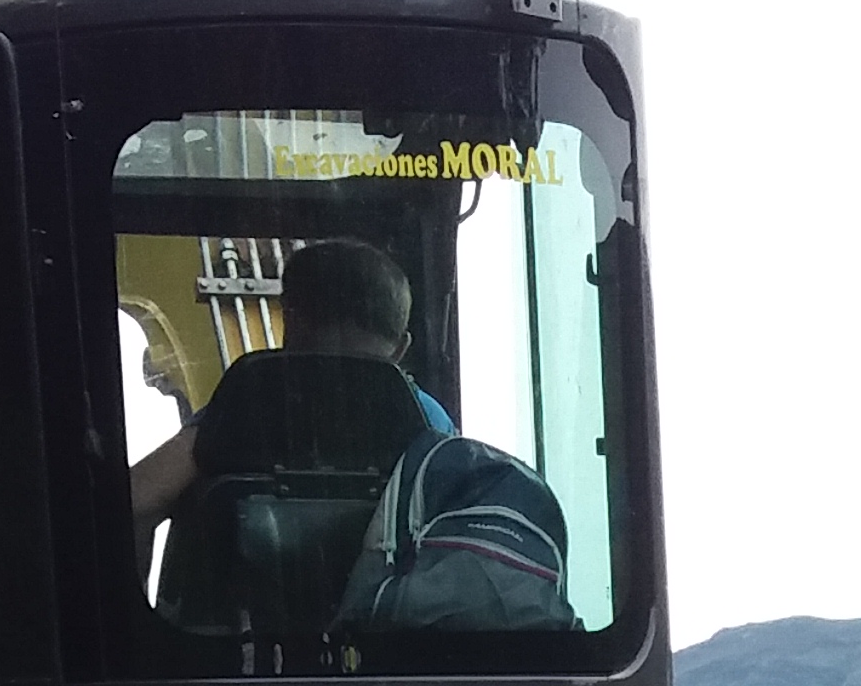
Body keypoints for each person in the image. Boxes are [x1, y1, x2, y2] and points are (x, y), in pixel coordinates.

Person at [127, 237, 575, 633]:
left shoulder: (246, 408)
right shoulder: (430, 426)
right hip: (386, 673)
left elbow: (136, 502)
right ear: (401, 347)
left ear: (292, 324)